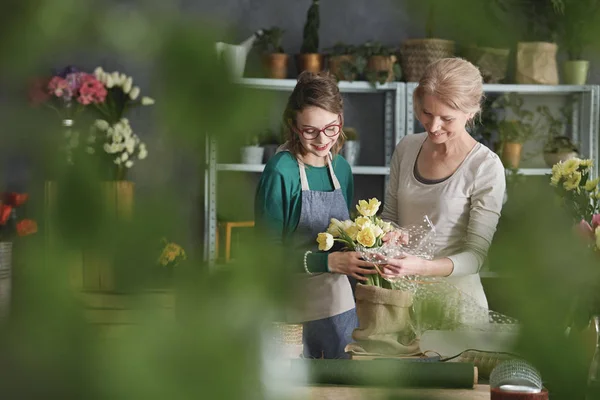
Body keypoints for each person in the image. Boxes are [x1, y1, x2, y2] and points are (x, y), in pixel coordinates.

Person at [254, 71, 376, 359]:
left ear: (341, 121)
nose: (322, 140)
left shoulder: (342, 170)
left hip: (337, 305)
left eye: (331, 128)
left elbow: (344, 237)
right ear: (293, 125)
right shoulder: (280, 172)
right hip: (289, 308)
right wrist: (327, 261)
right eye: (310, 130)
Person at [380, 58, 506, 310]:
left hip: (456, 306)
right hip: (400, 302)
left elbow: (475, 257)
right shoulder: (407, 148)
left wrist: (422, 267)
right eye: (427, 113)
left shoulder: (485, 166)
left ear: (470, 112)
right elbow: (390, 218)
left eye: (447, 118)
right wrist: (389, 236)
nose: (434, 126)